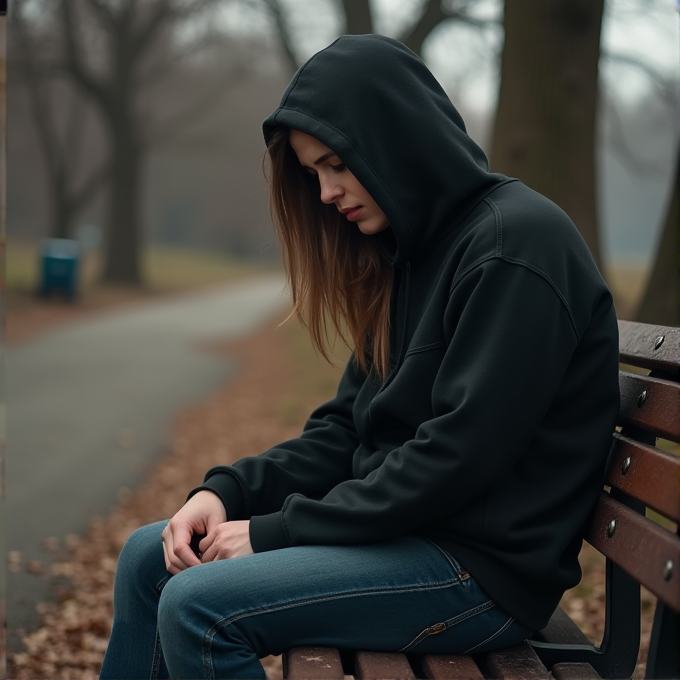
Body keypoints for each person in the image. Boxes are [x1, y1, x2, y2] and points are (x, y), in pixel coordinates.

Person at [100, 34, 620, 679]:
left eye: (336, 165)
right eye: (314, 173)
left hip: (479, 573)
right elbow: (347, 428)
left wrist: (274, 532)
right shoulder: (412, 256)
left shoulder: (516, 248)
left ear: (395, 138)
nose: (325, 192)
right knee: (148, 557)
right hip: (412, 538)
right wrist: (227, 493)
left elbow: (457, 458)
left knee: (198, 606)